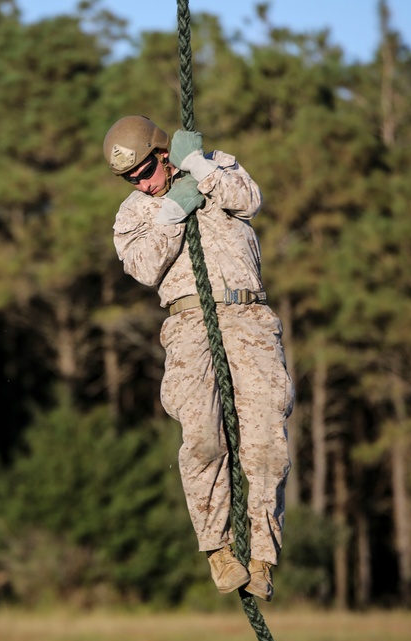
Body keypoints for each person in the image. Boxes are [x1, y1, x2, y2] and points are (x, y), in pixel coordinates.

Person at [103, 115, 294, 601]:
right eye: (131, 179)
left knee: (266, 442)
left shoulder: (215, 168)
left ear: (164, 155)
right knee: (205, 439)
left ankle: (261, 556)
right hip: (190, 327)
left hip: (249, 318)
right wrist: (170, 212)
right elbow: (143, 268)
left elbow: (250, 200)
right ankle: (219, 548)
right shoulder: (134, 214)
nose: (141, 184)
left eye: (146, 172)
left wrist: (198, 169)